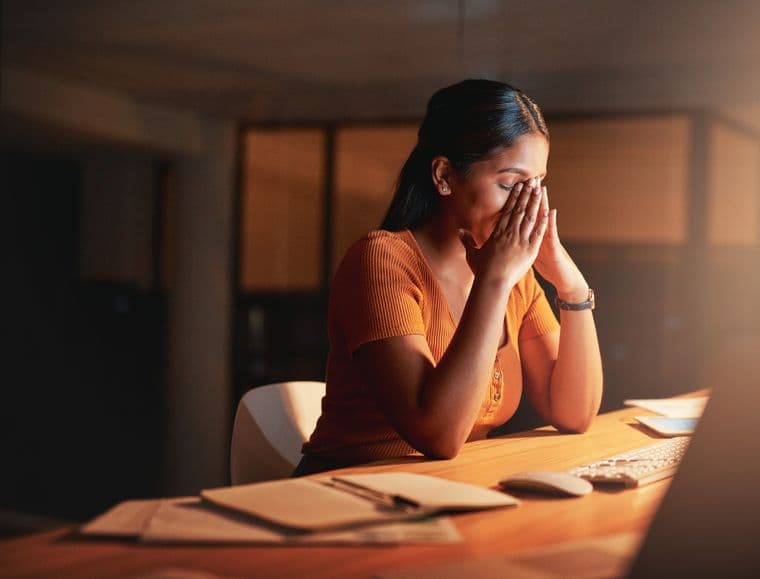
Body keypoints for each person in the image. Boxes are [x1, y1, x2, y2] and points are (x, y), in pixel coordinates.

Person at [295, 79, 603, 476]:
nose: (527, 205)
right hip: (350, 492)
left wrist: (572, 287)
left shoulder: (517, 280)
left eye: (536, 186)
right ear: (444, 176)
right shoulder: (382, 260)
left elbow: (574, 414)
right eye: (510, 184)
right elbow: (438, 435)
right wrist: (494, 281)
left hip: (446, 487)